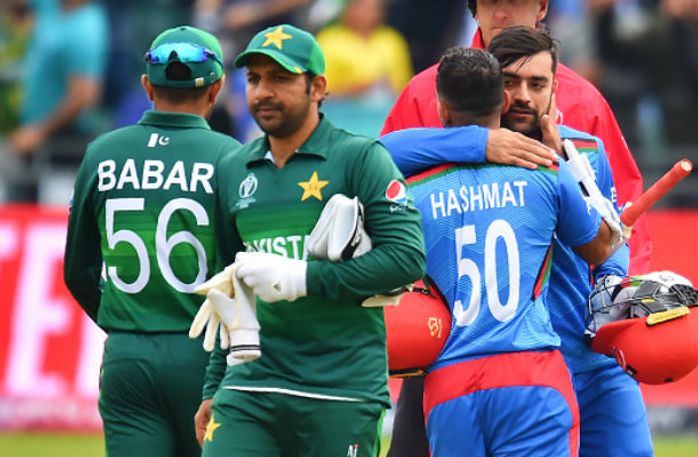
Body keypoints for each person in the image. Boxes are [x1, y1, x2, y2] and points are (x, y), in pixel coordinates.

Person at [382, 26, 653, 457]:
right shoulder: (459, 157)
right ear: (495, 91)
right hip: (530, 362)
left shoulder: (588, 152)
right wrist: (482, 142)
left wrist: (613, 283)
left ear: (554, 90)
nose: (523, 96)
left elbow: (613, 242)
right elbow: (605, 237)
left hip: (586, 358)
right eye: (511, 83)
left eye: (537, 84)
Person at [193, 24, 426, 457]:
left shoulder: (360, 159)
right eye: (255, 79)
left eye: (280, 79)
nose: (263, 92)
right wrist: (214, 386)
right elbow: (229, 288)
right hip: (249, 388)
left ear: (317, 86)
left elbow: (407, 258)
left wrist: (303, 277)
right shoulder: (233, 169)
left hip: (340, 388)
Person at [63, 26, 239, 457]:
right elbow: (242, 270)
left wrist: (124, 324)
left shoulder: (101, 153)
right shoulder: (231, 156)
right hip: (205, 356)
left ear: (147, 86)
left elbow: (77, 270)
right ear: (216, 88)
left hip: (127, 353)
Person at [382, 0, 651, 274]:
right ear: (474, 8)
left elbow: (624, 222)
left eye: (515, 2)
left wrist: (617, 289)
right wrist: (479, 143)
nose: (501, 13)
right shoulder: (424, 91)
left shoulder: (585, 101)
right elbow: (380, 176)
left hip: (560, 309)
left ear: (542, 7)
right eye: (490, 3)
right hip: (441, 297)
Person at [7, 0, 109, 203]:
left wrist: (39, 131)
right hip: (32, 137)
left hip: (63, 144)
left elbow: (84, 96)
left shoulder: (85, 30)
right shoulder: (51, 5)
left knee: (52, 216)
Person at [315, 0, 413, 137]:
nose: (370, 14)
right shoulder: (328, 40)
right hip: (340, 121)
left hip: (382, 122)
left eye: (375, 9)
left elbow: (405, 88)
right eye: (363, 8)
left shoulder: (392, 40)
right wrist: (355, 89)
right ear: (348, 9)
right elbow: (317, 92)